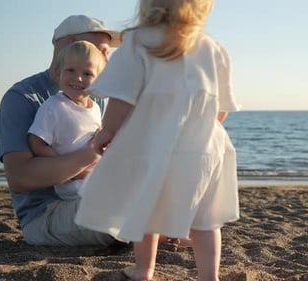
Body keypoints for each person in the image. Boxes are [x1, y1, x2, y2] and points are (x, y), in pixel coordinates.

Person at [74, 0, 241, 280]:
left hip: (155, 143)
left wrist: (107, 131)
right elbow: (221, 109)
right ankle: (208, 276)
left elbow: (121, 96)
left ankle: (144, 270)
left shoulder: (139, 41)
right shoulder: (213, 48)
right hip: (206, 147)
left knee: (147, 207)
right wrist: (198, 130)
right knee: (206, 218)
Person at [0, 15, 122, 246]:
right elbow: (20, 177)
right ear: (69, 44)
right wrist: (91, 155)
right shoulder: (23, 98)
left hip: (91, 195)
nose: (106, 59)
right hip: (46, 214)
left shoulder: (96, 98)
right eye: (101, 50)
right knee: (119, 212)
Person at [27, 40, 106, 201]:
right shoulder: (54, 107)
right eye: (70, 70)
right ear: (58, 73)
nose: (77, 78)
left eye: (87, 74)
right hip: (72, 185)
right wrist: (69, 168)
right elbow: (36, 143)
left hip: (95, 176)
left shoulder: (95, 108)